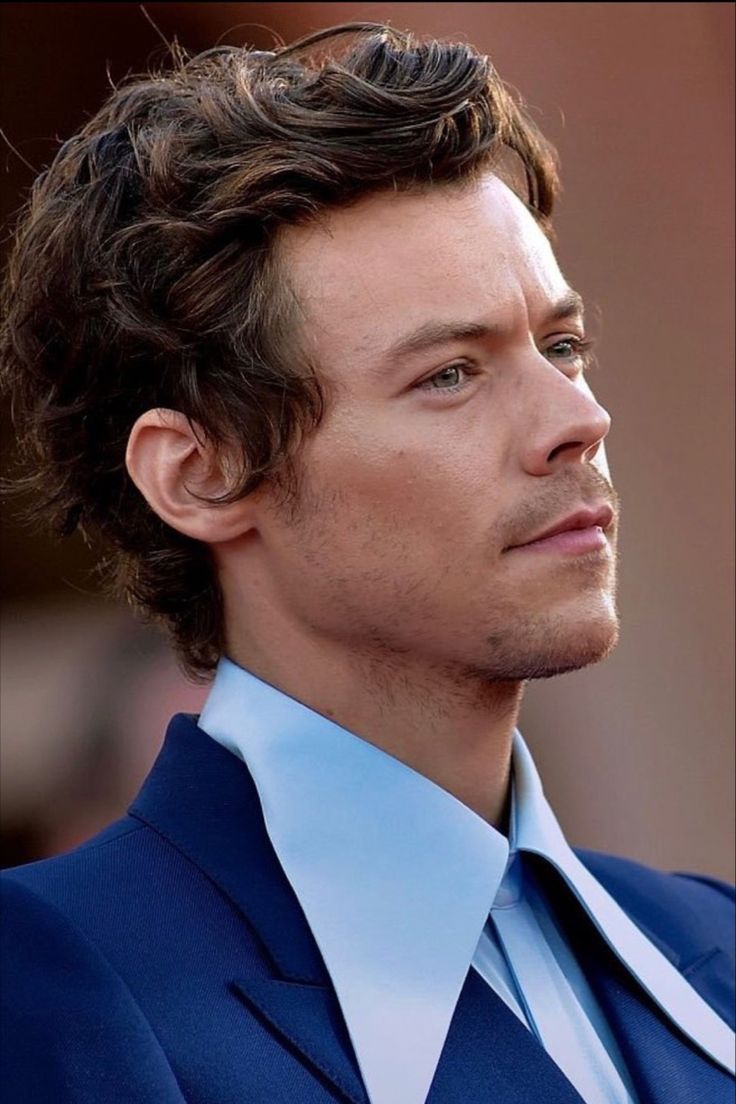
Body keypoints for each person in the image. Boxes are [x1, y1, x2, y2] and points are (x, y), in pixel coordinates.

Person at [0, 21, 733, 1104]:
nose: (577, 418)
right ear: (199, 473)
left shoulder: (708, 951)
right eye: (448, 374)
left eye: (561, 346)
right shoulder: (52, 985)